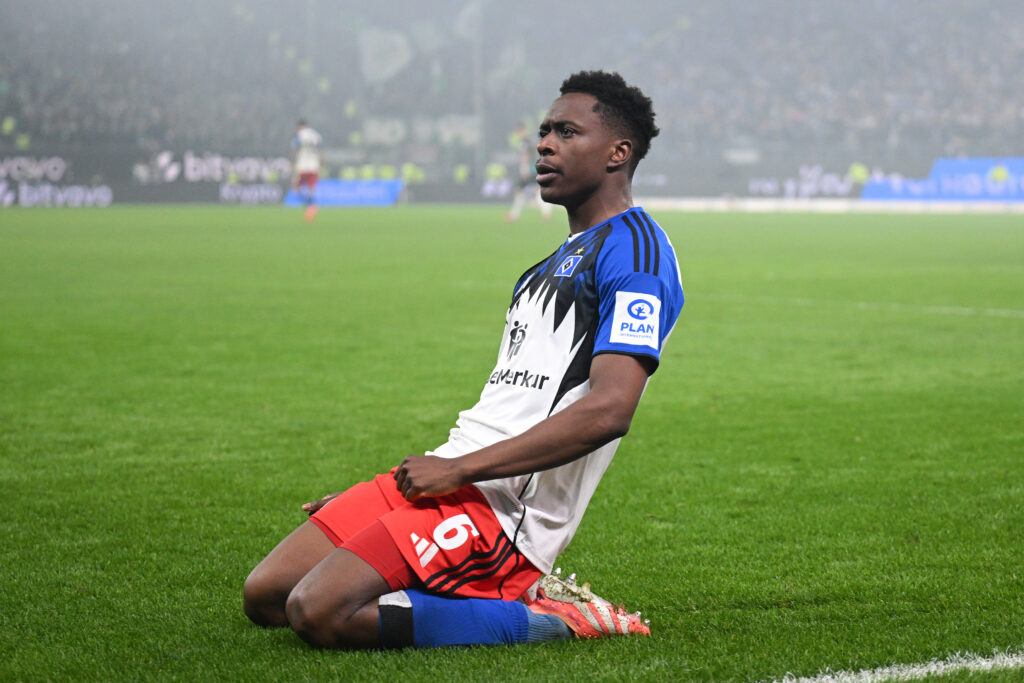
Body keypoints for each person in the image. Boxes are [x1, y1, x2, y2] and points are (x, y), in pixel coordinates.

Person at [244, 70, 684, 650]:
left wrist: (457, 472)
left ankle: (553, 616)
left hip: (503, 515)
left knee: (318, 610)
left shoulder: (638, 252)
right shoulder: (540, 271)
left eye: (567, 132)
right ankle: (432, 563)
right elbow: (509, 402)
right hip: (452, 475)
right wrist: (409, 490)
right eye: (546, 131)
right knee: (267, 593)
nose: (545, 143)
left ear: (618, 153)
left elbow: (607, 411)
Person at [505, 122, 554, 222]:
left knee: (520, 189)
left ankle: (514, 214)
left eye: (518, 132)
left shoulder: (525, 141)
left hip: (532, 168)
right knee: (538, 190)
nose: (517, 134)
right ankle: (546, 213)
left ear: (521, 131)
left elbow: (525, 155)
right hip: (540, 167)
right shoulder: (533, 139)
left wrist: (524, 168)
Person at [291, 119, 323, 222]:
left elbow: (295, 149)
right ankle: (311, 207)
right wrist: (320, 164)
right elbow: (320, 151)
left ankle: (309, 205)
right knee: (311, 189)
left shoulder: (299, 135)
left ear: (299, 126)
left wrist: (293, 163)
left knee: (295, 188)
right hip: (314, 166)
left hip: (302, 166)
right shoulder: (316, 135)